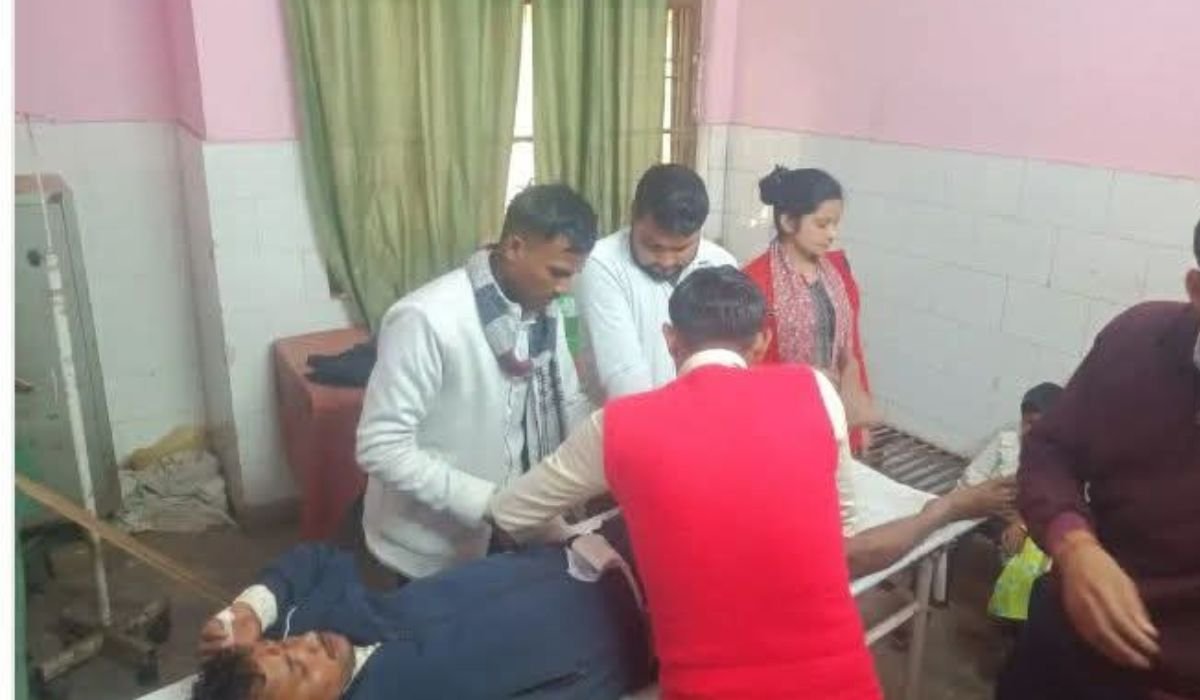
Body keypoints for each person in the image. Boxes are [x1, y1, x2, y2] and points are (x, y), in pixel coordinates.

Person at [491, 266, 1008, 697]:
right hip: (839, 682)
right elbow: (843, 538)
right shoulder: (813, 390)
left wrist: (576, 539)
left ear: (670, 339)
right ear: (761, 342)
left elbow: (510, 512)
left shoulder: (617, 425)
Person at [998, 219, 1200, 700]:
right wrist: (1074, 545)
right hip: (1064, 642)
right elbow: (1050, 450)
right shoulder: (1138, 339)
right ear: (1196, 290)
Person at [356, 184, 595, 580]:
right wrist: (489, 504)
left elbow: (569, 402)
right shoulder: (427, 318)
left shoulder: (550, 315)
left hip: (511, 536)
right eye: (557, 272)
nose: (564, 288)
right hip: (423, 550)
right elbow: (380, 447)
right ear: (515, 247)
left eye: (574, 274)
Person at [190, 532, 651, 700]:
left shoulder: (324, 622)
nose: (309, 643)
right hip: (637, 627)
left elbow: (318, 561)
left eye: (284, 646)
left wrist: (253, 608)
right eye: (298, 668)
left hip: (583, 553)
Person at [574, 163, 736, 401]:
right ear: (633, 216)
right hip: (627, 416)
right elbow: (624, 377)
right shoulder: (601, 264)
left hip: (702, 415)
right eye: (653, 246)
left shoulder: (721, 264)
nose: (666, 261)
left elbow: (727, 361)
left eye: (680, 249)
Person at [742, 166, 875, 449]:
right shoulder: (754, 281)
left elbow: (852, 348)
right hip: (780, 419)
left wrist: (859, 419)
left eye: (835, 224)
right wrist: (801, 380)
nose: (832, 234)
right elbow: (746, 365)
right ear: (788, 222)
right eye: (822, 224)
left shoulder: (838, 272)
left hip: (834, 414)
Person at [958, 382, 1062, 625]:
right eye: (1027, 423)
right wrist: (986, 499)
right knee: (950, 531)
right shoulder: (1006, 442)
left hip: (1027, 520)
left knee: (1036, 557)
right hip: (987, 508)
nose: (1030, 431)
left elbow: (1054, 504)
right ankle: (935, 593)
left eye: (1040, 425)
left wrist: (1022, 523)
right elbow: (972, 477)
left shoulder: (1060, 458)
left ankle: (1014, 619)